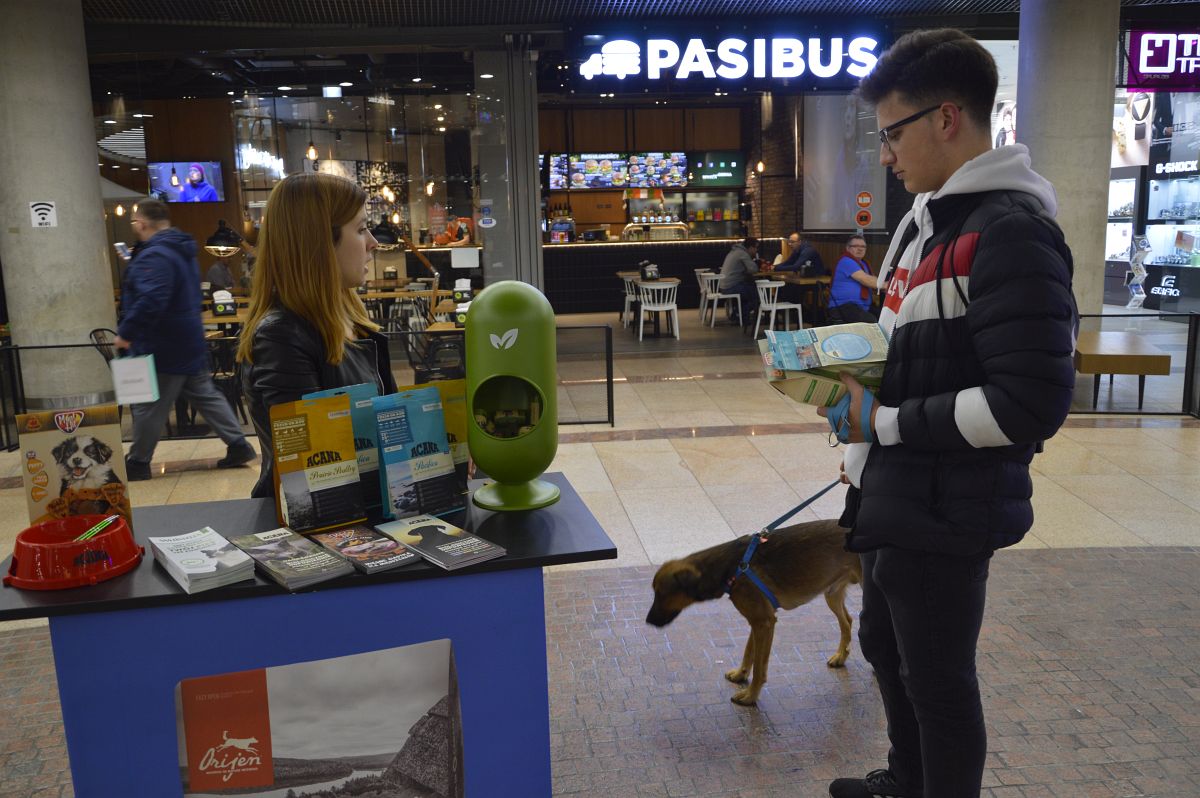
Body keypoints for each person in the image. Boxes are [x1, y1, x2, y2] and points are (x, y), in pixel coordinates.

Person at [818, 29, 1077, 798]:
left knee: (937, 680)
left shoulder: (1011, 232)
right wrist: (847, 401)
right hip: (895, 487)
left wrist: (885, 423)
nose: (887, 155)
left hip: (950, 502)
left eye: (893, 133)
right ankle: (908, 780)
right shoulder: (928, 222)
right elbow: (909, 348)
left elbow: (1029, 403)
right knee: (884, 647)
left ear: (946, 118)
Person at [237, 173, 398, 499]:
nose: (373, 243)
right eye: (361, 229)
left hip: (367, 507)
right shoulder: (280, 338)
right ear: (321, 241)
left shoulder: (354, 324)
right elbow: (313, 467)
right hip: (323, 517)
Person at [115, 199, 256, 481]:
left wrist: (127, 332)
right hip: (189, 337)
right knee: (205, 394)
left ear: (141, 223)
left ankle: (138, 461)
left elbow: (152, 299)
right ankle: (238, 444)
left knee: (149, 404)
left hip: (162, 342)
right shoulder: (181, 250)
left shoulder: (156, 255)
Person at [826, 235, 880, 324]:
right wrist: (887, 285)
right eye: (855, 246)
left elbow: (873, 280)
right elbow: (867, 280)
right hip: (842, 306)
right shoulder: (846, 261)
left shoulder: (863, 263)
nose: (860, 249)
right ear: (848, 248)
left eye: (863, 246)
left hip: (861, 306)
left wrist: (886, 285)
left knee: (884, 318)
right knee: (870, 321)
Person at [717, 236, 760, 326]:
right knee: (756, 294)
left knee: (750, 290)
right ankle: (744, 317)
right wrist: (756, 261)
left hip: (724, 286)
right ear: (751, 247)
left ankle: (738, 315)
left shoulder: (734, 251)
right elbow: (753, 269)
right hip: (730, 287)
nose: (756, 250)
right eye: (756, 248)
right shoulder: (743, 254)